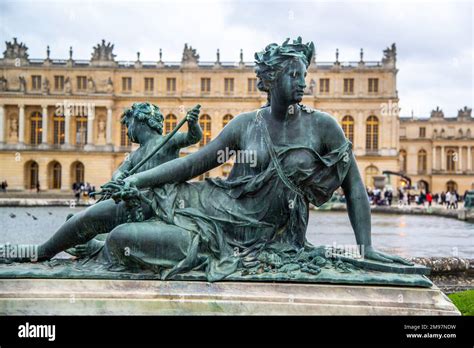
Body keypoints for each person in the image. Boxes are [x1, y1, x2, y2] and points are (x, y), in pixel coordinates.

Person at [1, 37, 411, 281]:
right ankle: (37, 252)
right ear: (269, 80)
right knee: (117, 206)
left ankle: (93, 247)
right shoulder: (244, 125)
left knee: (123, 238)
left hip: (248, 237)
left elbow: (355, 187)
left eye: (306, 73)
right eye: (294, 73)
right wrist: (138, 182)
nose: (304, 80)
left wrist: (365, 248)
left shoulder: (323, 126)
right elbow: (191, 165)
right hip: (212, 205)